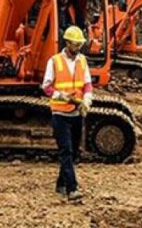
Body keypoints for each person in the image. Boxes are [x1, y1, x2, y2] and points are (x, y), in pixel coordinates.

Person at [41, 25, 93, 202]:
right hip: (60, 113)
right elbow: (46, 87)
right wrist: (61, 96)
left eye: (80, 44)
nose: (78, 47)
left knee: (74, 151)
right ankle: (72, 189)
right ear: (67, 42)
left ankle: (61, 184)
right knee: (66, 151)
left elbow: (87, 84)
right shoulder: (54, 61)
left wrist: (87, 99)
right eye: (75, 44)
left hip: (76, 113)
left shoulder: (83, 60)